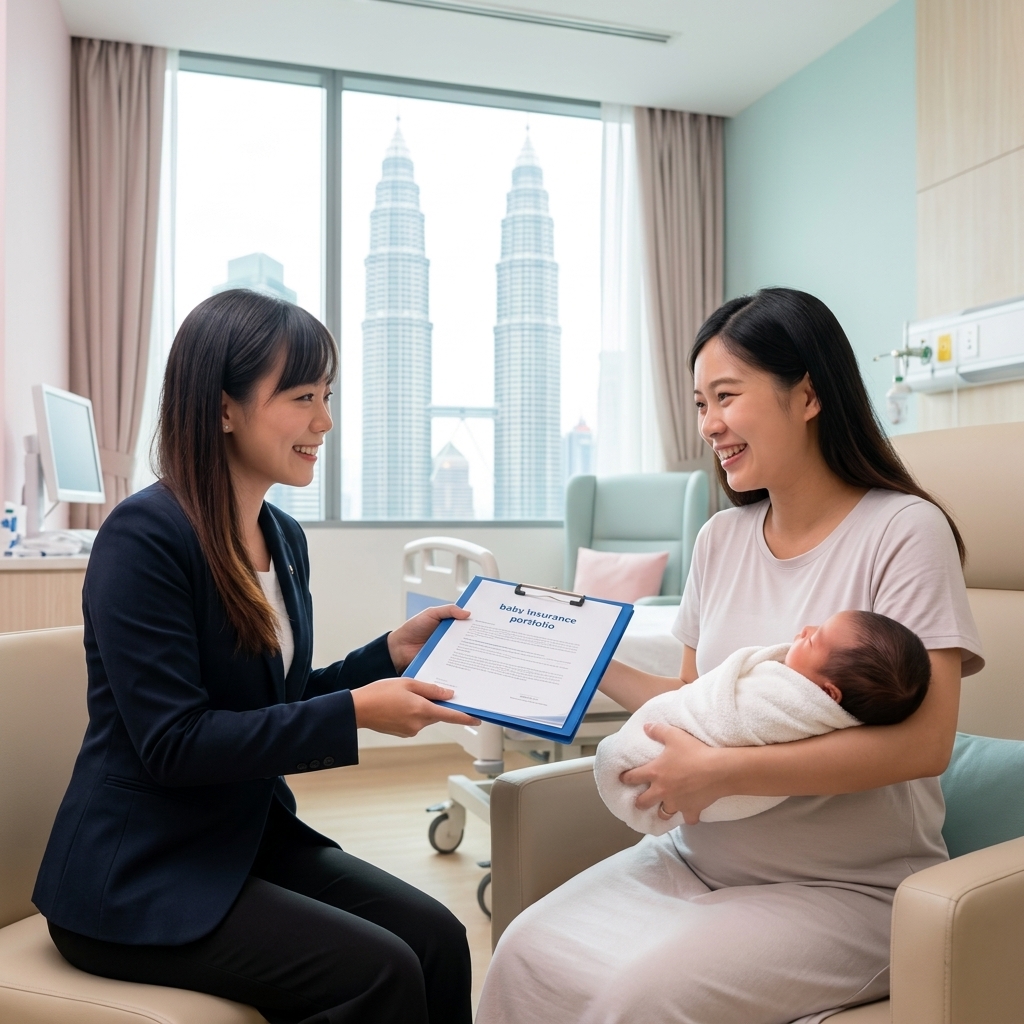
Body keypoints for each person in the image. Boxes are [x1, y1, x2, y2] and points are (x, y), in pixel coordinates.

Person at [477, 288, 984, 1024]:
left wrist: (722, 774)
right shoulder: (721, 539)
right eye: (699, 403)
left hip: (848, 891)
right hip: (694, 860)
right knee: (524, 954)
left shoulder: (904, 531)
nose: (709, 424)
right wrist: (584, 656)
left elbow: (924, 744)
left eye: (726, 396)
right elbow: (694, 699)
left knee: (638, 1001)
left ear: (806, 395)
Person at [33, 290, 479, 1024]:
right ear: (223, 408)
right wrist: (354, 714)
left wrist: (386, 659)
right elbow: (175, 743)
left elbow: (272, 704)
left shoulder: (283, 538)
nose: (324, 421)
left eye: (327, 396)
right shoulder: (143, 538)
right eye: (302, 397)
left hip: (240, 840)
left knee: (438, 939)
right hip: (138, 875)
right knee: (381, 972)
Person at [596, 611, 932, 833]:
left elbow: (727, 720)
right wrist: (594, 662)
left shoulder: (786, 703)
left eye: (813, 641)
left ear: (828, 694)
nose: (806, 630)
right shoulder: (714, 539)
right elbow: (691, 692)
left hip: (825, 876)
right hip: (691, 850)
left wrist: (711, 770)